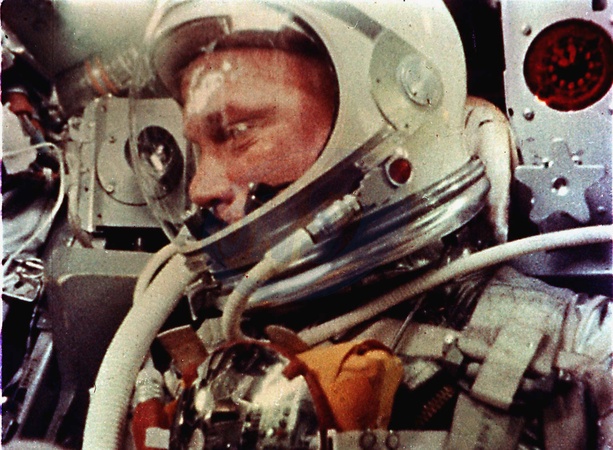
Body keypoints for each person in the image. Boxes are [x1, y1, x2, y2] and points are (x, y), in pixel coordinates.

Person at [86, 1, 612, 449]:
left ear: (389, 112)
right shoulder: (186, 365)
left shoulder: (583, 360)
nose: (201, 187)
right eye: (199, 147)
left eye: (239, 130)